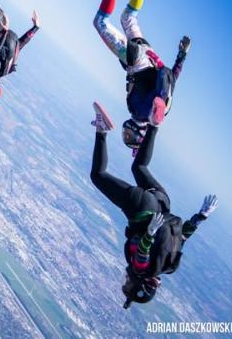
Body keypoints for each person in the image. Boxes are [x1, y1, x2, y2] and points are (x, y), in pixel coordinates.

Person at [88, 102, 218, 308]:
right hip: (143, 208)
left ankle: (155, 124)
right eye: (128, 283)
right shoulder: (141, 270)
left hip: (163, 201)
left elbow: (182, 236)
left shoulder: (168, 265)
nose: (126, 278)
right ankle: (101, 129)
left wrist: (200, 216)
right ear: (140, 284)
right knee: (98, 175)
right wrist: (149, 234)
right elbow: (141, 253)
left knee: (139, 166)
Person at [93, 0, 190, 150]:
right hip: (137, 61)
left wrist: (181, 56)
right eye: (129, 135)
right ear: (139, 134)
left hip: (150, 55)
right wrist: (156, 116)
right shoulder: (144, 112)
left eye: (124, 135)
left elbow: (173, 78)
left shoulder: (149, 110)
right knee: (100, 22)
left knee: (128, 17)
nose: (126, 131)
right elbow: (159, 99)